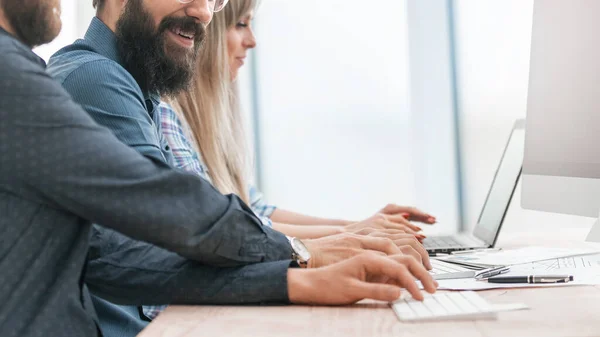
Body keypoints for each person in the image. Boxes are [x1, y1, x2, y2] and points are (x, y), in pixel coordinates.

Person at [37, 1, 435, 336]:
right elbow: (174, 226)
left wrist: (308, 267)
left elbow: (150, 242)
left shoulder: (137, 89)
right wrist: (306, 258)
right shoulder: (94, 77)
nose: (205, 12)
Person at [161, 0, 436, 242]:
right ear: (205, 35)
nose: (252, 40)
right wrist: (354, 233)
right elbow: (227, 228)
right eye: (241, 24)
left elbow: (256, 211)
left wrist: (360, 226)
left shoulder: (211, 128)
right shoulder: (166, 117)